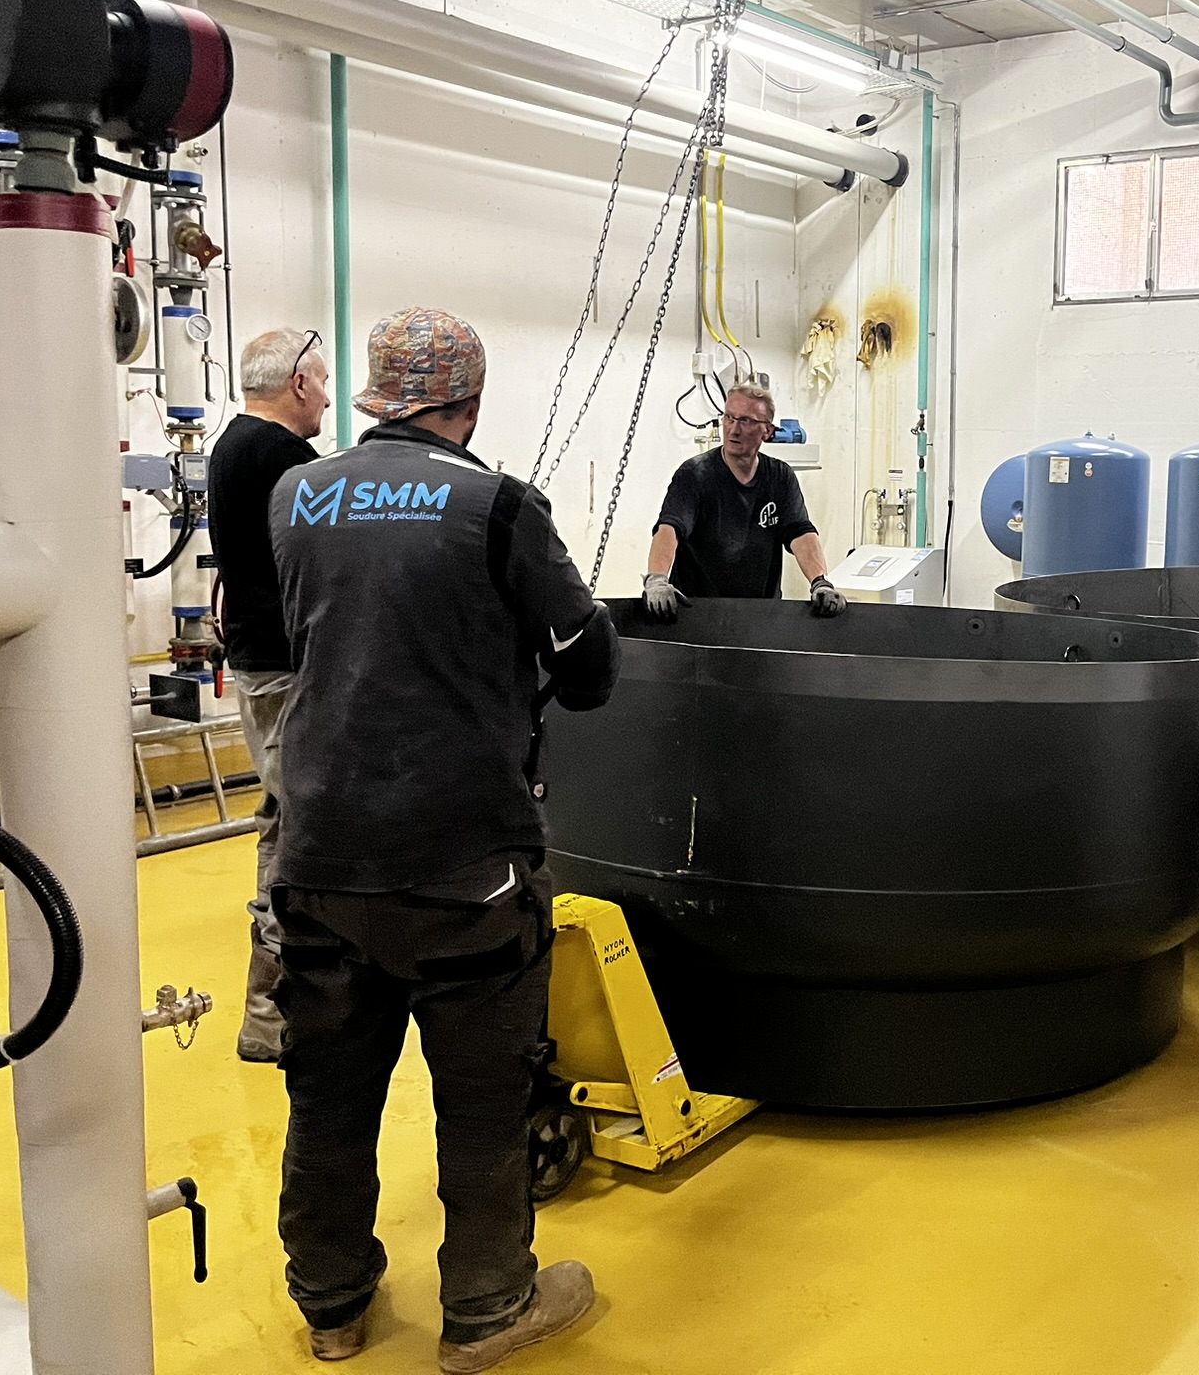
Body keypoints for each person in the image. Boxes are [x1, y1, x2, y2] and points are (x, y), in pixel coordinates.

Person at [268, 307, 619, 1371]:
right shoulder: (498, 505)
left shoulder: (297, 495)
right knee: (479, 1095)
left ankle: (331, 1303)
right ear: (467, 403)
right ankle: (487, 1307)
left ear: (376, 398)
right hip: (461, 861)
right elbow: (587, 669)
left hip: (318, 851)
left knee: (327, 1094)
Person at [208, 328, 330, 1063]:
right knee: (305, 831)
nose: (325, 399)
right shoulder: (284, 459)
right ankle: (273, 1016)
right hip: (287, 668)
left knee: (284, 819)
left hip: (260, 662)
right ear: (297, 384)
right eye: (322, 383)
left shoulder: (232, 446)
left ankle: (272, 1015)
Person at [642, 379, 845, 621]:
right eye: (729, 418)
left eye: (746, 421)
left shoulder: (780, 477)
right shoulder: (695, 475)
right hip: (698, 615)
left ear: (767, 431)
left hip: (760, 616)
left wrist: (820, 582)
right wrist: (657, 579)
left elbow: (800, 532)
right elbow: (670, 528)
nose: (734, 429)